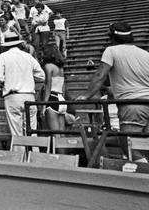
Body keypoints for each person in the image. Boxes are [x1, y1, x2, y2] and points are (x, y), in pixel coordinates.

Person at [77, 22, 149, 161]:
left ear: (112, 38)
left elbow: (100, 75)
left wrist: (86, 96)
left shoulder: (111, 51)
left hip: (132, 104)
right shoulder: (144, 53)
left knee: (128, 144)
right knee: (145, 145)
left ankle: (143, 172)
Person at [0, 32, 45, 141]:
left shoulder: (3, 56)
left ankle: (19, 156)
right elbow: (41, 76)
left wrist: (6, 81)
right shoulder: (28, 56)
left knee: (17, 133)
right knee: (32, 130)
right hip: (29, 95)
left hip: (13, 96)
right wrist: (28, 78)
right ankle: (34, 155)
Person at [42, 46, 67, 139]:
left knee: (55, 135)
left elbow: (48, 86)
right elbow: (63, 87)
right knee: (62, 134)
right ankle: (65, 154)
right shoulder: (61, 69)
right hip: (62, 99)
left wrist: (43, 106)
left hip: (53, 98)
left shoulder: (48, 67)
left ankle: (55, 154)